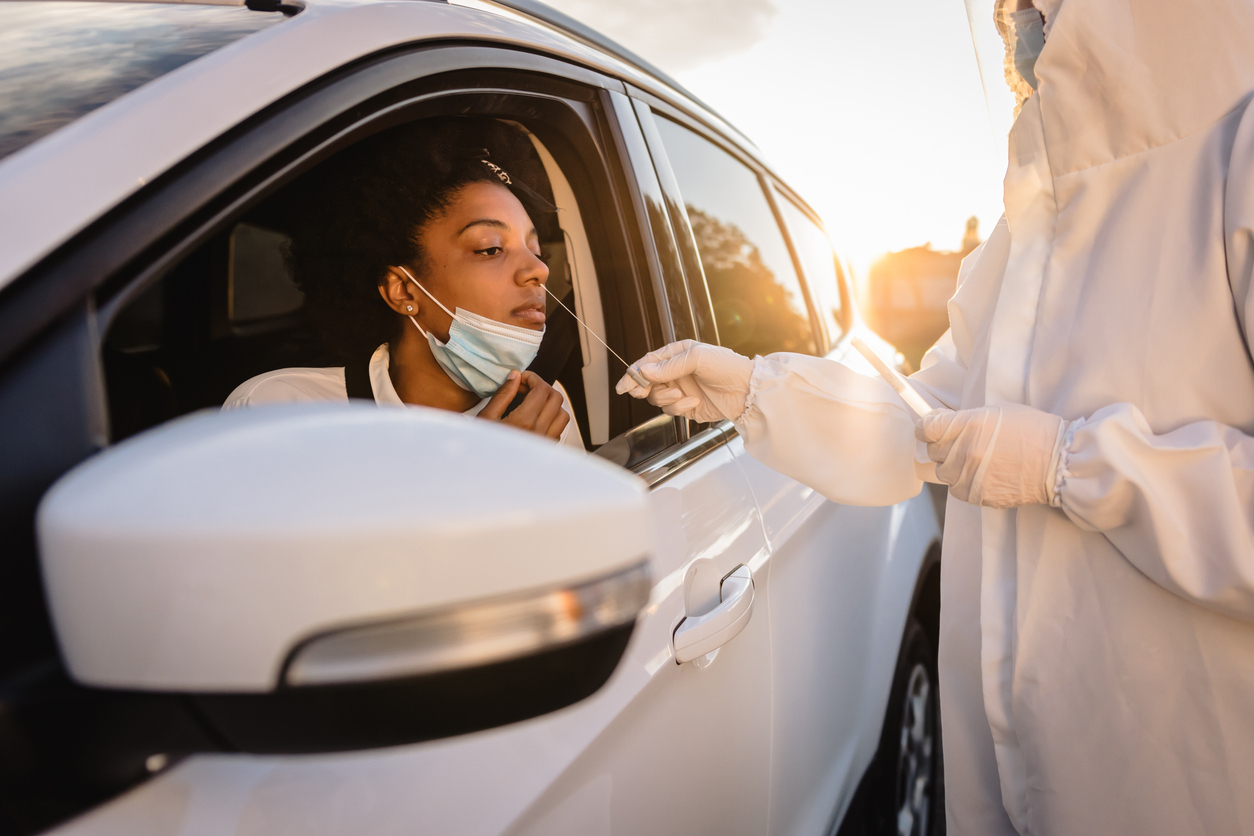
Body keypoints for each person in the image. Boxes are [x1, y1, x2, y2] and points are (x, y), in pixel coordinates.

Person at [619, 0, 1254, 833]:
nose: (1018, 21)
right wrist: (747, 388)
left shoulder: (1235, 154)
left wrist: (1072, 466)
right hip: (1012, 780)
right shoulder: (1021, 236)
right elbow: (925, 417)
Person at [224, 118, 581, 449]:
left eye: (537, 252)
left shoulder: (545, 409)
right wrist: (487, 468)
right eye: (490, 249)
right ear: (403, 290)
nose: (538, 270)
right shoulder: (279, 413)